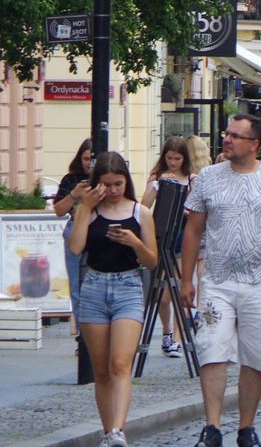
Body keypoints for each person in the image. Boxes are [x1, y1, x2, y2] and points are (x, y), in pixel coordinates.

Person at [181, 113, 261, 447]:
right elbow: (193, 230)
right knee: (211, 348)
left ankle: (246, 428)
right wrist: (187, 279)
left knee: (255, 355)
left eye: (235, 135)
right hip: (217, 280)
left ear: (254, 144)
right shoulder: (207, 178)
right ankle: (212, 427)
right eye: (227, 134)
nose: (227, 139)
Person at [69, 151, 159, 447]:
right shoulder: (91, 210)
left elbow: (151, 261)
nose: (112, 190)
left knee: (121, 363)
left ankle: (118, 430)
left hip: (128, 287)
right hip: (94, 287)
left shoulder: (139, 213)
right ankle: (109, 432)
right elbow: (76, 248)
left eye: (117, 184)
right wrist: (84, 208)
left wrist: (134, 242)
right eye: (105, 184)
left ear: (126, 182)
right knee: (102, 369)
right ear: (97, 184)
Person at [141, 136, 197, 359]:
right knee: (163, 295)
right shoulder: (157, 177)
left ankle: (177, 339)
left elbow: (196, 211)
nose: (173, 162)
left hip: (183, 235)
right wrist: (157, 185)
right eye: (169, 158)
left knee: (181, 288)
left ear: (184, 159)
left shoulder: (192, 180)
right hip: (162, 235)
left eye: (177, 158)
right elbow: (144, 206)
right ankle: (167, 331)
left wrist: (185, 210)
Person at [52, 139, 95, 333]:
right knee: (76, 286)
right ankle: (81, 332)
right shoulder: (71, 179)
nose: (88, 163)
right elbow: (59, 210)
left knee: (91, 283)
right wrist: (74, 195)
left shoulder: (105, 179)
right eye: (85, 159)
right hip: (74, 228)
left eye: (92, 159)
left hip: (95, 231)